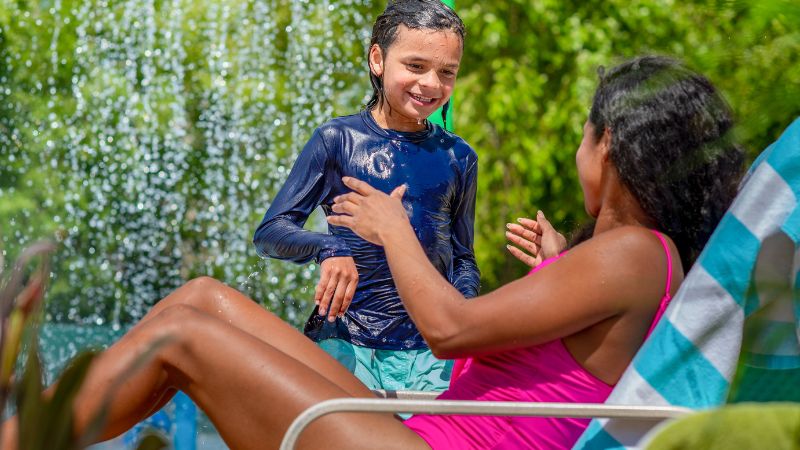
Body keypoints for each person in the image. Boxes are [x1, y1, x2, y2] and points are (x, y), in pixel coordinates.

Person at [2, 56, 744, 450]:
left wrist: (392, 229)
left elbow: (450, 329)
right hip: (418, 432)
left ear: (610, 143)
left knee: (182, 337)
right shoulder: (632, 258)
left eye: (586, 134)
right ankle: (27, 423)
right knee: (202, 298)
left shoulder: (629, 256)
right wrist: (558, 262)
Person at [252, 0, 479, 392]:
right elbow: (270, 232)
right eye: (415, 66)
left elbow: (462, 257)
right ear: (378, 59)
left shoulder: (458, 157)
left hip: (431, 353)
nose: (430, 83)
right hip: (346, 344)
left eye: (447, 73)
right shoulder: (337, 141)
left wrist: (464, 315)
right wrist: (328, 247)